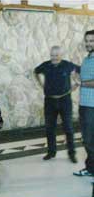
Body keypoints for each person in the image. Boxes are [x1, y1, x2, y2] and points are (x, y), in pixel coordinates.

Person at [34, 46, 81, 162]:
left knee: (68, 128)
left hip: (65, 101)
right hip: (49, 101)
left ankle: (72, 154)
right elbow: (36, 71)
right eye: (52, 55)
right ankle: (51, 152)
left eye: (56, 55)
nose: (54, 58)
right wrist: (41, 84)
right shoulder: (46, 65)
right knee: (50, 128)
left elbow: (79, 71)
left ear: (61, 55)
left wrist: (77, 83)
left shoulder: (67, 65)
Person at [74, 30, 94, 177]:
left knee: (89, 140)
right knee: (87, 140)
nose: (88, 43)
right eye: (86, 40)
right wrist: (76, 80)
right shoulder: (87, 59)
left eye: (91, 41)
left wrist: (81, 82)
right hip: (85, 105)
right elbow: (83, 79)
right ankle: (91, 168)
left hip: (92, 107)